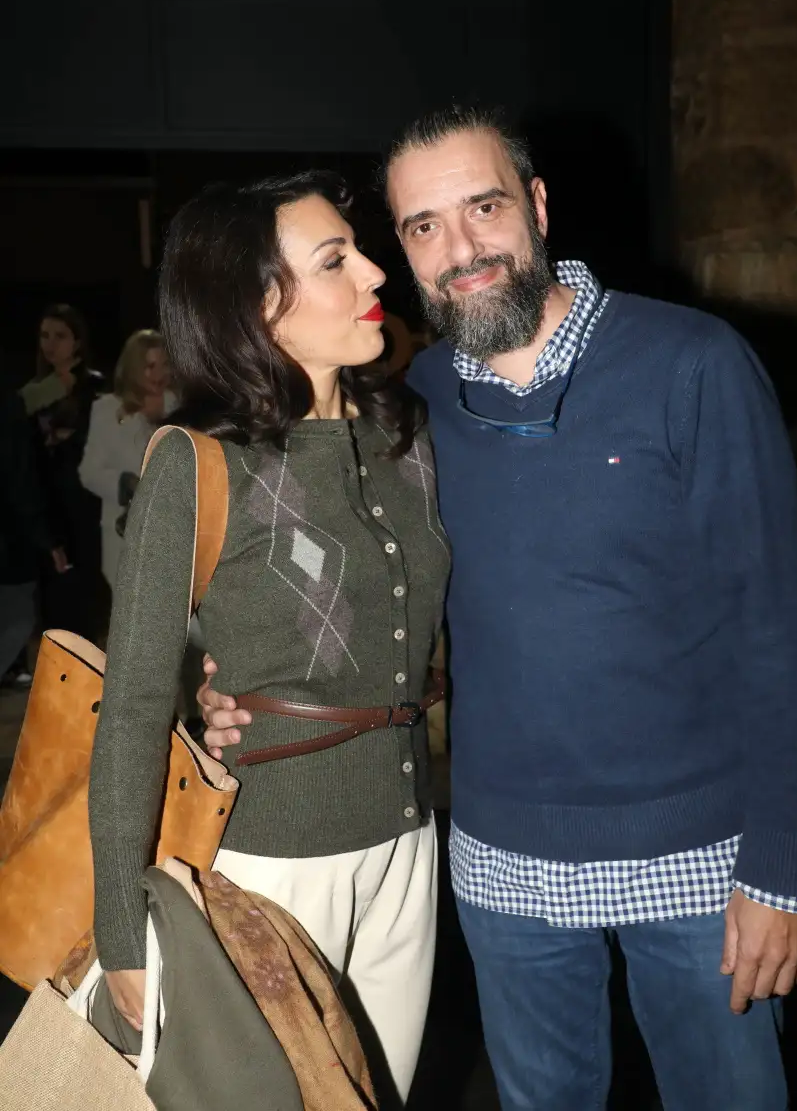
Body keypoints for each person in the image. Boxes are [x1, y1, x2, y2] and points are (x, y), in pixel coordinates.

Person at [200, 107, 797, 1111]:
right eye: (424, 226)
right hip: (502, 864)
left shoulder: (692, 363)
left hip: (700, 858)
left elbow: (777, 633)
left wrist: (784, 873)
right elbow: (349, 595)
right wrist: (243, 689)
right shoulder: (408, 405)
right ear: (402, 248)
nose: (461, 249)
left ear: (535, 206)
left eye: (484, 207)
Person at [87, 171, 450, 1107]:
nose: (375, 271)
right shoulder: (199, 463)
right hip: (272, 862)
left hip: (409, 843)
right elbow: (131, 704)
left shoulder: (408, 436)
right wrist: (121, 931)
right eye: (335, 261)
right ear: (260, 307)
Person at [20, 303, 104, 639]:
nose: (50, 344)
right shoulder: (35, 391)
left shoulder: (93, 387)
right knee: (52, 604)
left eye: (59, 336)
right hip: (46, 503)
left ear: (77, 341)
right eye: (45, 336)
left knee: (83, 599)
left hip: (84, 505)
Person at [80, 329, 177, 592]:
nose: (159, 374)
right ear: (133, 368)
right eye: (149, 366)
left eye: (164, 365)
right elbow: (89, 471)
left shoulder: (181, 407)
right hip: (125, 539)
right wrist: (125, 483)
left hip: (174, 538)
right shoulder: (106, 410)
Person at [0, 382, 70, 680]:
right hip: (9, 540)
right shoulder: (8, 407)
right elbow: (20, 480)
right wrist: (47, 538)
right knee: (18, 616)